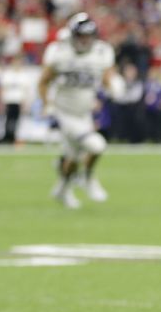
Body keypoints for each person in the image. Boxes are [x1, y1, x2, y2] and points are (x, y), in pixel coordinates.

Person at [39, 13, 116, 208]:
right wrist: (46, 103)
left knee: (73, 157)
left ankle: (63, 190)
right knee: (96, 145)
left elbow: (106, 79)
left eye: (89, 36)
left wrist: (112, 88)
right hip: (64, 111)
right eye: (81, 36)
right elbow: (44, 81)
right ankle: (87, 178)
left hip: (84, 112)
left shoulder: (101, 52)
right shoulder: (59, 52)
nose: (85, 40)